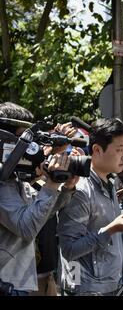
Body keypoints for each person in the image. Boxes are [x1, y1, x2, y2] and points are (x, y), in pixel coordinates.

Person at [0, 102, 78, 296]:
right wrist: (51, 185)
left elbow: (42, 215)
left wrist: (66, 188)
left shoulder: (13, 177)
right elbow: (26, 228)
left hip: (17, 284)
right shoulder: (2, 181)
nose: (30, 147)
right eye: (23, 139)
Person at [58, 118, 123, 296]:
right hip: (86, 290)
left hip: (110, 285)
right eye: (119, 150)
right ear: (96, 149)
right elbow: (69, 250)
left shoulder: (110, 183)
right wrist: (111, 230)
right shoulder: (80, 190)